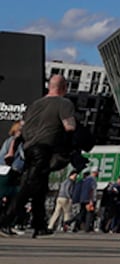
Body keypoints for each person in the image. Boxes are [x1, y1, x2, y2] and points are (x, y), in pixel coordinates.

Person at [4, 73, 78, 236]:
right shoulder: (64, 103)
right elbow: (70, 127)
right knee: (29, 185)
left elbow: (20, 130)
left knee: (40, 187)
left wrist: (12, 150)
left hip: (29, 148)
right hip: (45, 149)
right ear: (64, 88)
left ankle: (40, 224)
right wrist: (69, 148)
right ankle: (5, 221)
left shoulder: (35, 104)